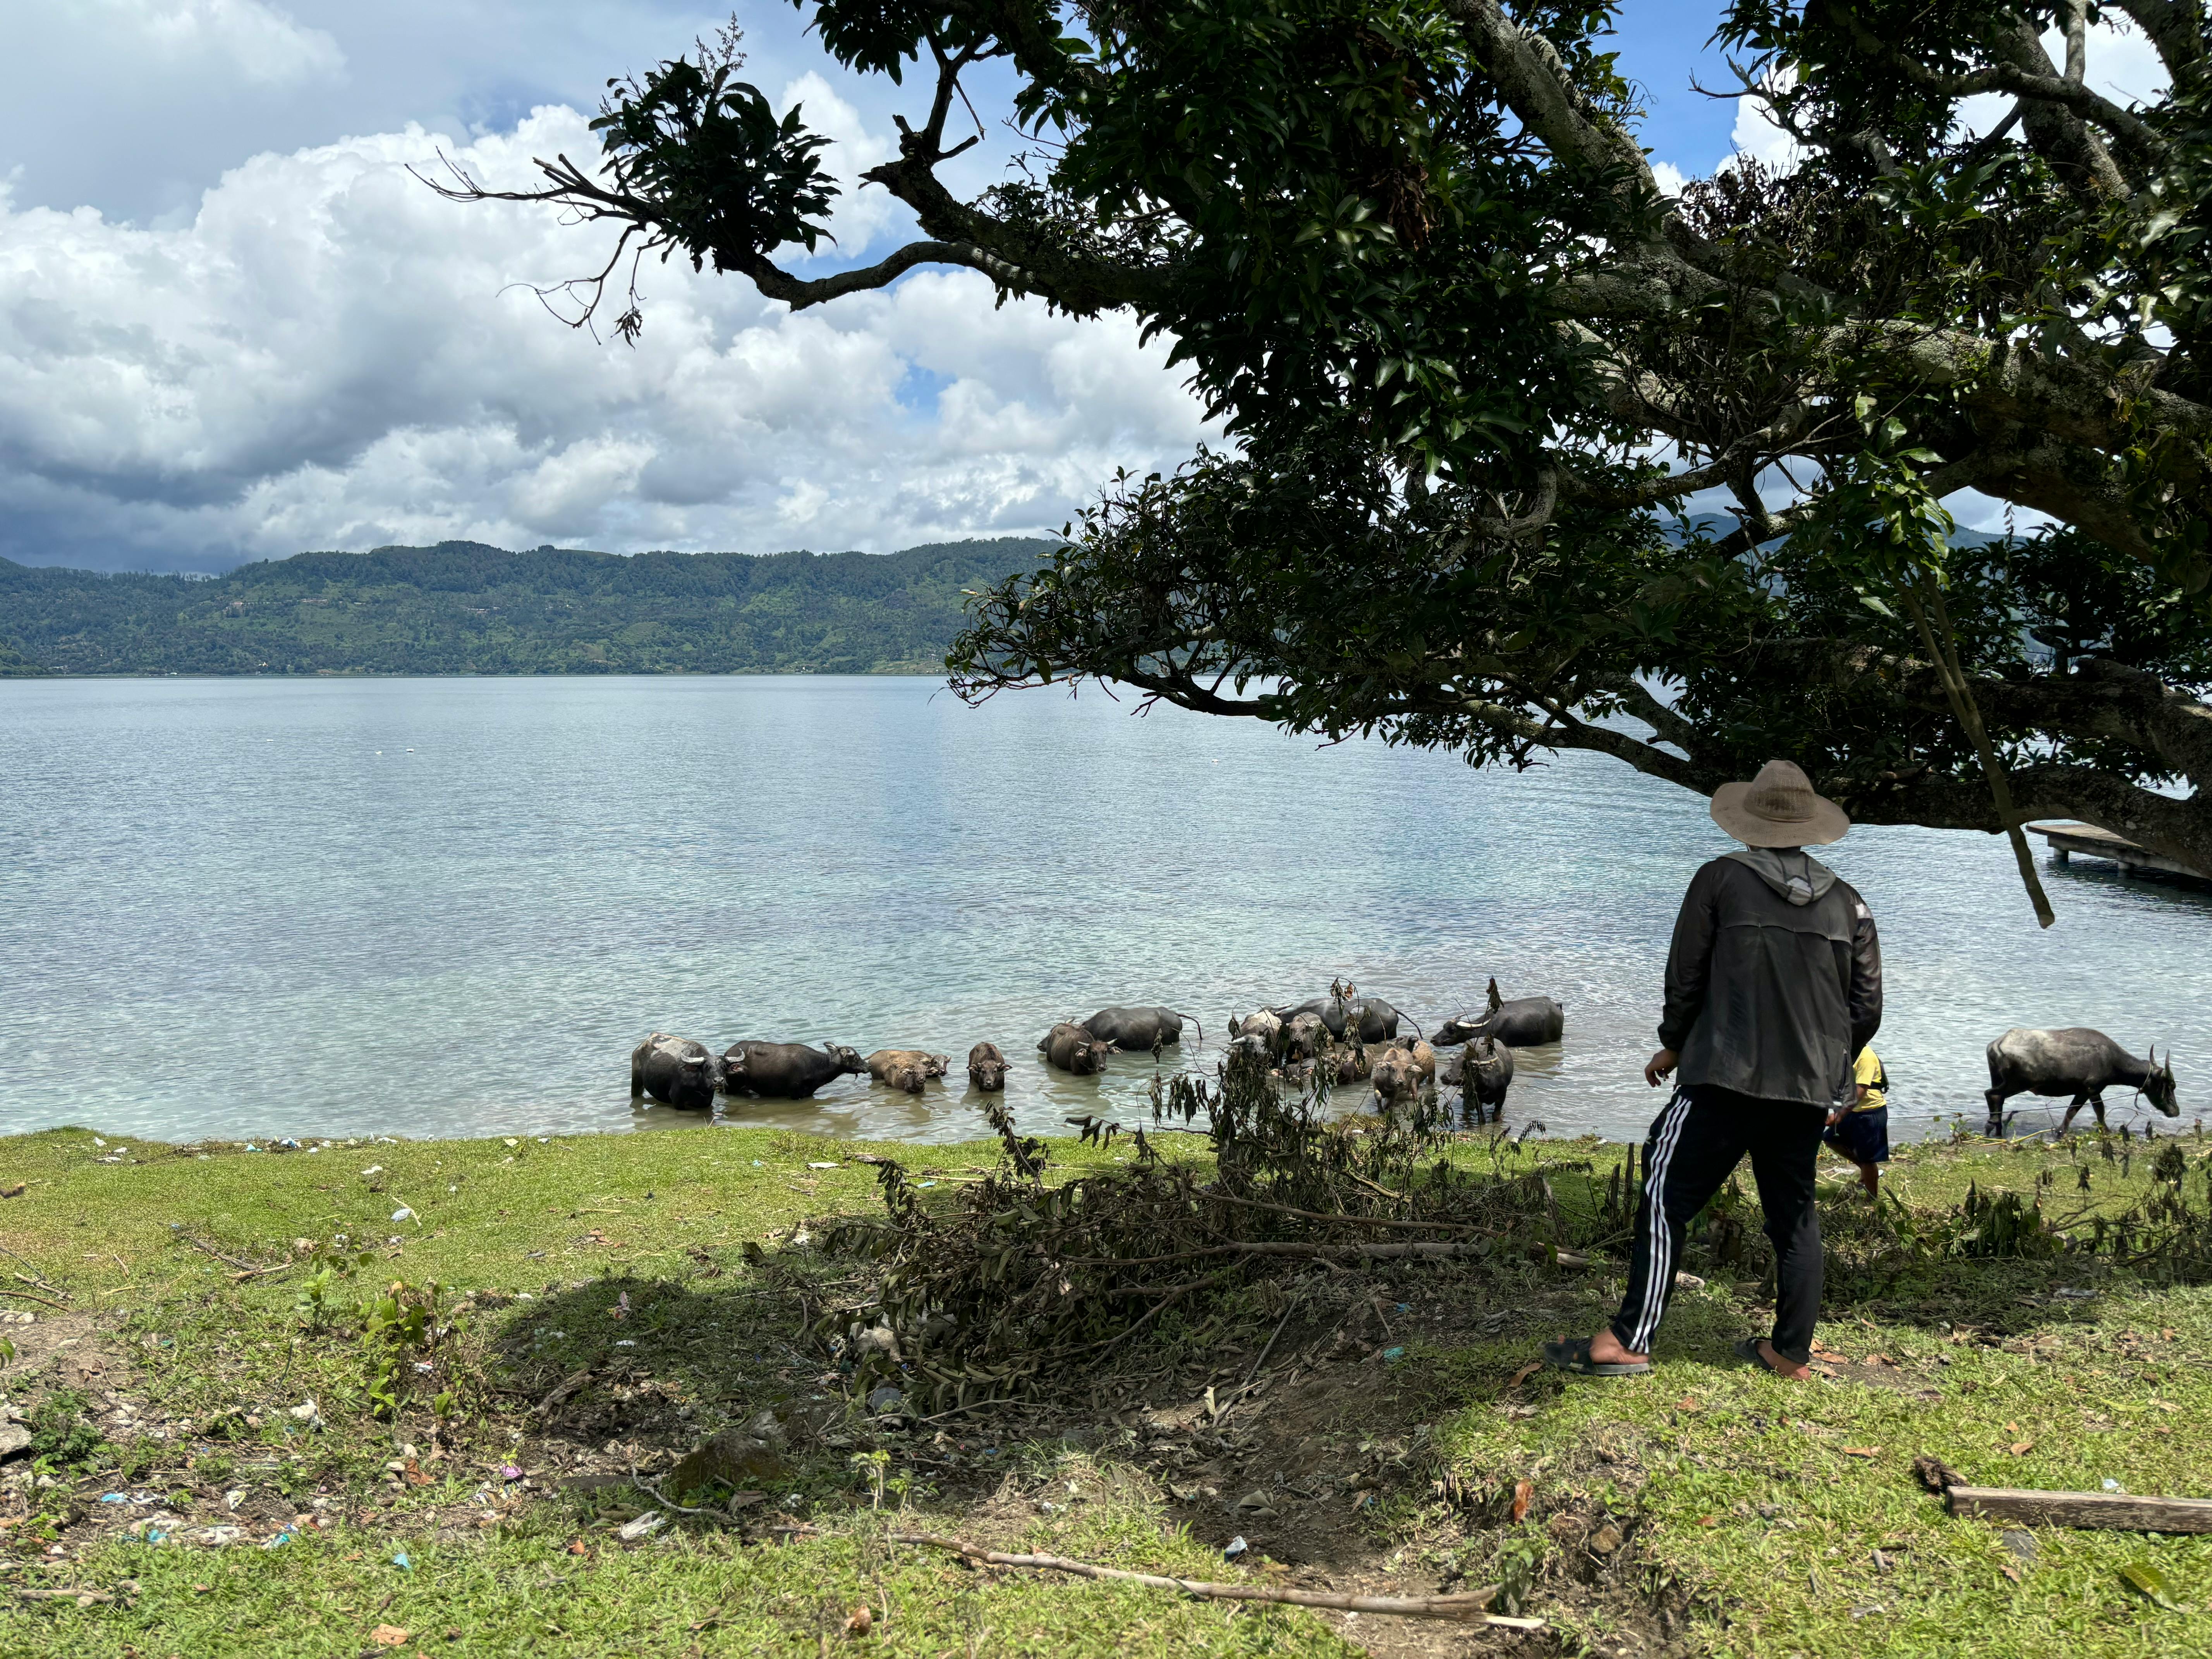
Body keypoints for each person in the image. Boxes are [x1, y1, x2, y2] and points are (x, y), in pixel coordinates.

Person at [1544, 759, 1882, 1383]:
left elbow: (1687, 975)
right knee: (1795, 1216)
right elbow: (1865, 1010)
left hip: (1723, 1077)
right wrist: (1827, 1071)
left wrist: (1673, 1043)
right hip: (1806, 1089)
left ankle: (1628, 1341)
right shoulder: (1849, 903)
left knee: (1665, 1195)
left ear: (1747, 823)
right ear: (1808, 827)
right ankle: (1790, 1355)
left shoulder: (1719, 880)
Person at [1825, 1046, 1889, 1199]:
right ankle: (1868, 1172)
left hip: (1870, 1112)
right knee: (1830, 1139)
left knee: (1868, 1158)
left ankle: (1871, 1199)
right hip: (1853, 1110)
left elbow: (1861, 1089)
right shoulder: (1848, 1053)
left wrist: (1840, 1114)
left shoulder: (1865, 1055)